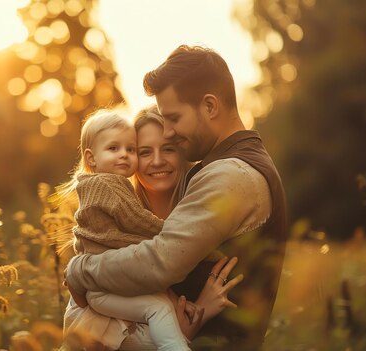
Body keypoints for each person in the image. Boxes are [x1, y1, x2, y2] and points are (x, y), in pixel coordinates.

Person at [65, 45, 288, 350]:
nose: (168, 132)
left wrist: (80, 269)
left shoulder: (231, 174)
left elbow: (160, 261)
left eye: (173, 118)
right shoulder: (226, 166)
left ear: (210, 106)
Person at [57, 108, 242, 350]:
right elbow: (83, 316)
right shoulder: (118, 216)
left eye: (168, 148)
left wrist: (199, 313)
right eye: (145, 151)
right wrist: (77, 269)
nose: (157, 161)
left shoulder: (203, 217)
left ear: (183, 153)